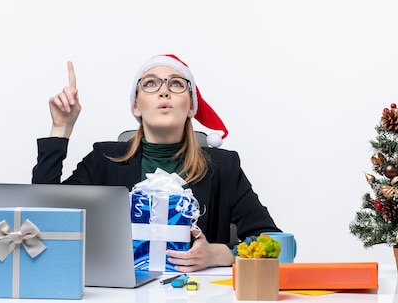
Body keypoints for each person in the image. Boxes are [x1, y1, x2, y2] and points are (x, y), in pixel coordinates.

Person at [32, 54, 281, 272]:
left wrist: (222, 254)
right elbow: (43, 219)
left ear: (192, 106)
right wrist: (61, 128)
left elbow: (276, 242)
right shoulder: (103, 159)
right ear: (136, 105)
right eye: (151, 83)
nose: (164, 91)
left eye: (176, 84)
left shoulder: (224, 166)